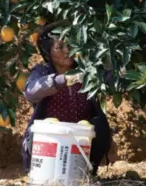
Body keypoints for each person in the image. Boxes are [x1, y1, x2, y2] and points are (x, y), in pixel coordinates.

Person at [21, 22, 113, 176]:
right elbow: (31, 91)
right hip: (51, 141)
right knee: (37, 132)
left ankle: (87, 173)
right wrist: (62, 80)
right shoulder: (42, 72)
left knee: (99, 126)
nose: (67, 51)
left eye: (70, 45)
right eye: (60, 47)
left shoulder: (86, 69)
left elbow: (110, 79)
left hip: (81, 139)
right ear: (48, 52)